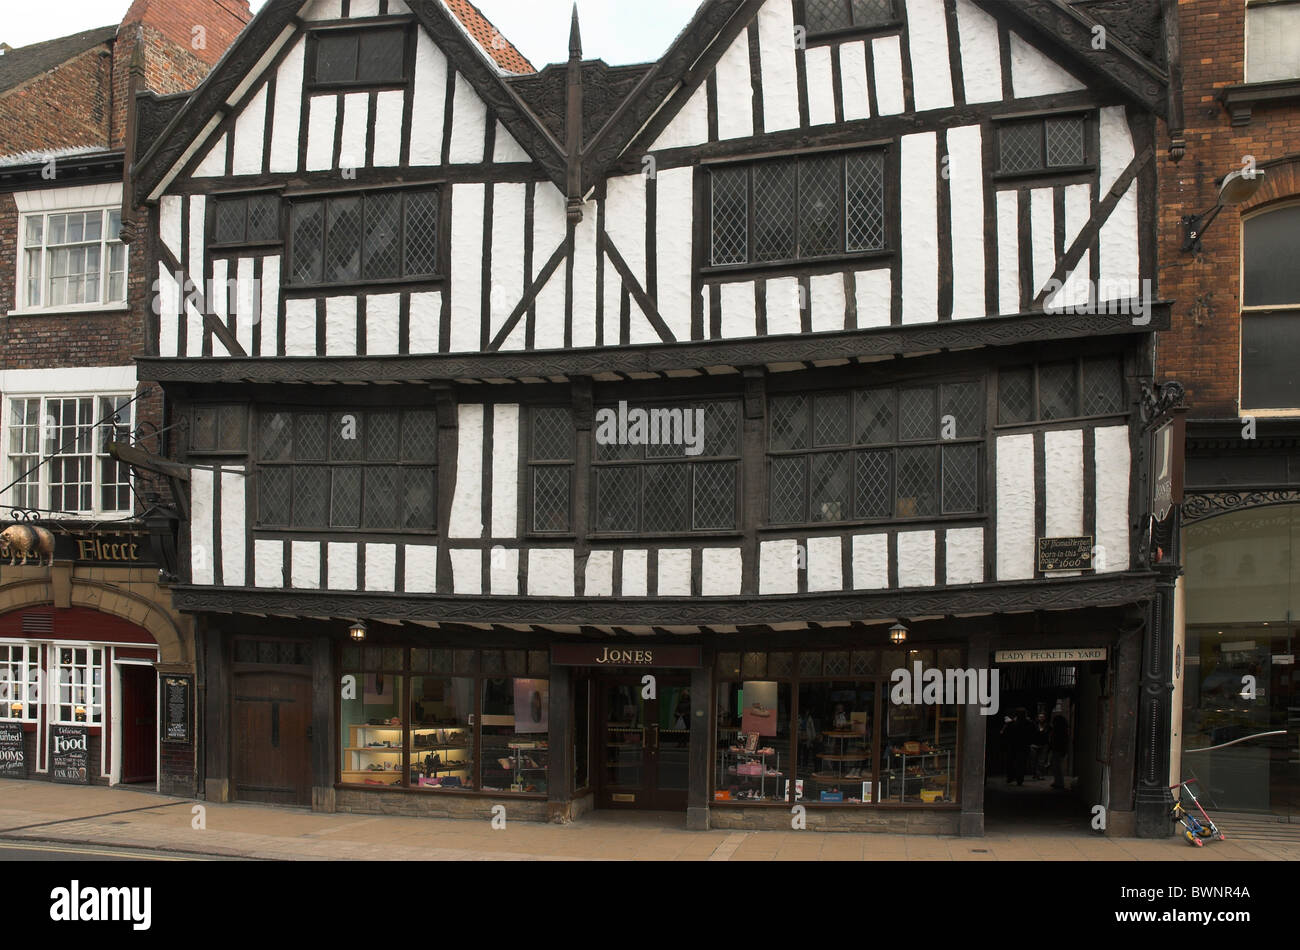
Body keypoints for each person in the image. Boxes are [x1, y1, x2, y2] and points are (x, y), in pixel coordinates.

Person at [1050, 715, 1070, 790]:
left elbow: (1062, 741)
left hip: (1058, 750)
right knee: (1056, 767)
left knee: (1057, 767)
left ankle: (1059, 782)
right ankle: (1058, 782)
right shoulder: (1062, 730)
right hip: (1058, 749)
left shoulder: (1059, 731)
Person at [1029, 712, 1050, 780]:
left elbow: (1049, 734)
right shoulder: (1034, 725)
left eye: (1042, 717)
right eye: (1040, 717)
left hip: (1044, 745)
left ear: (1044, 718)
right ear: (1038, 718)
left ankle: (1040, 775)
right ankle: (1035, 774)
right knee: (1033, 760)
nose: (1041, 718)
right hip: (1034, 745)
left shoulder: (1047, 725)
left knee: (1041, 761)